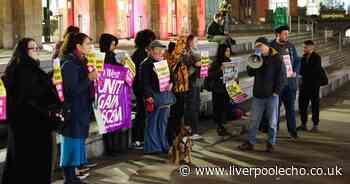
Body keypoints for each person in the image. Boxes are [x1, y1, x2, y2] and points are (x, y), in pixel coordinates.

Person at [1, 38, 61, 184]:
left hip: (21, 129)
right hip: (34, 128)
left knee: (19, 165)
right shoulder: (26, 71)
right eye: (32, 48)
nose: (36, 51)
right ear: (24, 51)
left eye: (37, 48)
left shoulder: (19, 68)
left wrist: (48, 80)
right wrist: (48, 114)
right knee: (35, 167)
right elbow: (31, 97)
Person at [60, 32, 98, 184]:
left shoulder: (82, 61)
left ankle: (74, 176)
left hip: (82, 109)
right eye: (88, 44)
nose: (91, 47)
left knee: (78, 142)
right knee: (71, 142)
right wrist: (88, 79)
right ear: (78, 46)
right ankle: (69, 178)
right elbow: (71, 90)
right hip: (73, 110)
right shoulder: (69, 64)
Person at [238, 37, 286, 152]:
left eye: (260, 46)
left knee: (272, 122)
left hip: (272, 95)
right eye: (256, 47)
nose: (258, 48)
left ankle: (271, 143)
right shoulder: (257, 58)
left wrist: (276, 92)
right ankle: (251, 142)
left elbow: (282, 77)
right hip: (258, 95)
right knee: (254, 120)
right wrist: (252, 62)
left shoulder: (277, 58)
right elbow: (250, 73)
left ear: (267, 45)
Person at [142, 40, 174, 154]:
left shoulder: (164, 62)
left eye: (161, 50)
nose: (160, 52)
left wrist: (171, 83)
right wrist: (148, 96)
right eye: (157, 50)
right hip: (154, 96)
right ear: (150, 51)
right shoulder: (146, 64)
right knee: (153, 121)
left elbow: (171, 76)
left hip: (165, 95)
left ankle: (163, 145)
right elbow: (145, 82)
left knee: (163, 121)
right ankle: (153, 147)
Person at [270, 25, 300, 139]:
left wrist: (296, 71)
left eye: (288, 33)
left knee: (290, 109)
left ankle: (292, 131)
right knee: (275, 110)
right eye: (285, 34)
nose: (287, 36)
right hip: (277, 85)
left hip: (290, 84)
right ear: (278, 34)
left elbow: (297, 60)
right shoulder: (271, 46)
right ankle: (274, 131)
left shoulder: (290, 46)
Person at [131, 29, 156, 150]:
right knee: (141, 112)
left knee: (144, 112)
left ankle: (142, 138)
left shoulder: (142, 53)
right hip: (141, 87)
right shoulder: (139, 54)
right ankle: (137, 138)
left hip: (143, 87)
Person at [99, 33, 122, 156]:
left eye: (115, 44)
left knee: (114, 121)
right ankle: (111, 148)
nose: (114, 46)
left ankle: (115, 146)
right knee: (108, 122)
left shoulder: (112, 56)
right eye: (112, 44)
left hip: (114, 91)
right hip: (107, 93)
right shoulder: (102, 57)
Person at [165, 36, 189, 146]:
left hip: (183, 89)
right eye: (180, 47)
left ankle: (178, 135)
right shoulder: (169, 58)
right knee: (174, 114)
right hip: (174, 90)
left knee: (180, 113)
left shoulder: (182, 58)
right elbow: (171, 72)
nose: (183, 49)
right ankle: (171, 138)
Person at [298, 40, 324, 132]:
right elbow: (301, 70)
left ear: (311, 47)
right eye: (303, 47)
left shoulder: (317, 57)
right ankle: (303, 124)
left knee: (314, 105)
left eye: (305, 47)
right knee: (302, 105)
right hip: (304, 85)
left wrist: (304, 71)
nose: (303, 49)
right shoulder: (303, 57)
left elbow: (314, 71)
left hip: (313, 85)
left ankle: (315, 125)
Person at [207, 44, 232, 136]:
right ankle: (219, 126)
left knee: (225, 108)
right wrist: (220, 70)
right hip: (218, 89)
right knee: (218, 108)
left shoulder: (229, 61)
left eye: (229, 51)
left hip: (226, 88)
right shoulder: (216, 63)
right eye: (226, 51)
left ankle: (222, 126)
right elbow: (210, 76)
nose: (228, 53)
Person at [183, 35, 202, 140]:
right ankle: (191, 130)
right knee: (191, 106)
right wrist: (196, 65)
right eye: (195, 41)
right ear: (190, 42)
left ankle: (193, 130)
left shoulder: (196, 52)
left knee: (196, 105)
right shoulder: (187, 53)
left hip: (197, 82)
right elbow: (187, 70)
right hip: (191, 83)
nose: (197, 43)